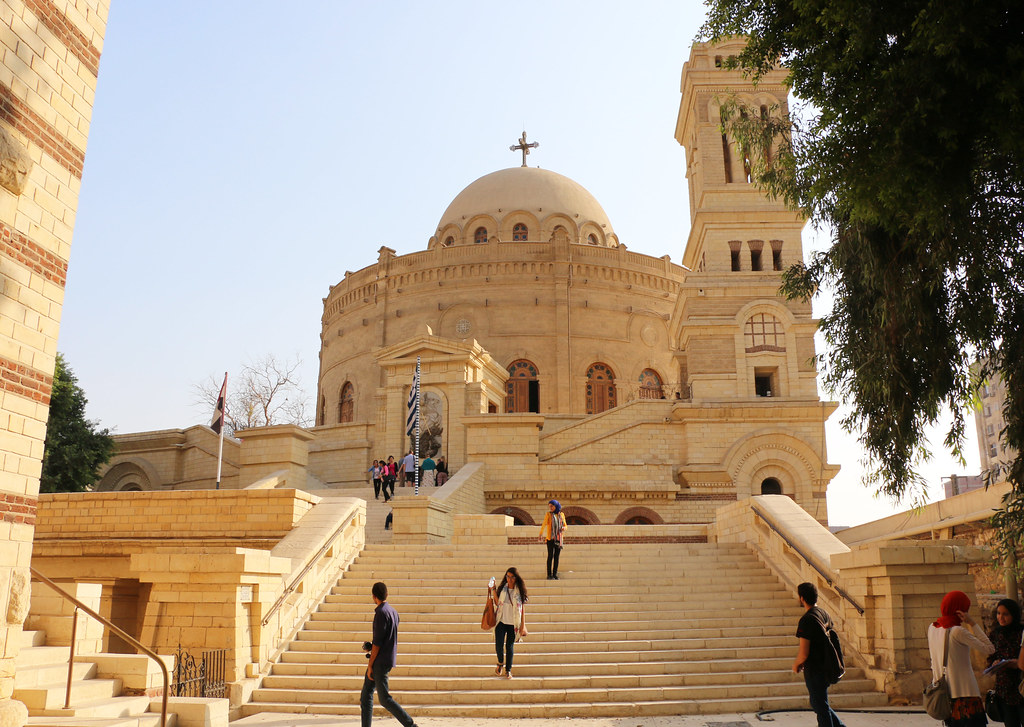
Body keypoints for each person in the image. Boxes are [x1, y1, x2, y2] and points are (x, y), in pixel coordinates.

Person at [928, 589, 993, 727]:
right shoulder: (958, 631)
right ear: (960, 611)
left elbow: (933, 661)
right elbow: (989, 648)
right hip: (966, 695)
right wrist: (972, 623)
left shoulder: (932, 628)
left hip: (945, 694)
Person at [360, 582, 417, 727]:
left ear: (374, 596)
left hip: (380, 661)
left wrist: (370, 665)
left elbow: (378, 643)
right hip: (387, 658)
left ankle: (410, 725)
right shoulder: (393, 612)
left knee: (384, 699)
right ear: (387, 594)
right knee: (366, 696)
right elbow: (387, 638)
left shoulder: (380, 613)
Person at [793, 582, 846, 727]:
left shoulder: (807, 620)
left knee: (820, 706)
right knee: (820, 704)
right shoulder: (824, 614)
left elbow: (804, 652)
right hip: (827, 665)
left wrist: (797, 664)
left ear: (802, 598)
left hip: (815, 669)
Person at [488, 567, 528, 679]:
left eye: (512, 577)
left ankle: (508, 670)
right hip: (501, 621)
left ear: (516, 578)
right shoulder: (503, 589)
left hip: (513, 624)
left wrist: (522, 625)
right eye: (508, 577)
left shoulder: (519, 591)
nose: (510, 579)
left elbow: (522, 610)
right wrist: (493, 589)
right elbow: (497, 603)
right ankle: (500, 662)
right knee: (498, 645)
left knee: (509, 647)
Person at [990, 599, 1024, 727]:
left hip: (1020, 685)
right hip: (1004, 689)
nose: (1001, 617)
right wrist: (994, 663)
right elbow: (991, 655)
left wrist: (1017, 663)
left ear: (1014, 615)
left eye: (1005, 614)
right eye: (999, 613)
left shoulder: (1021, 632)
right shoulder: (995, 634)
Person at [538, 499, 567, 580]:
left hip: (558, 539)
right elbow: (544, 524)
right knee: (550, 556)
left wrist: (564, 528)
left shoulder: (562, 515)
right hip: (550, 538)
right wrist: (540, 533)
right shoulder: (548, 514)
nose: (550, 508)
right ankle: (549, 574)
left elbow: (565, 525)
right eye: (549, 506)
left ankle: (555, 574)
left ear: (556, 506)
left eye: (552, 506)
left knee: (556, 557)